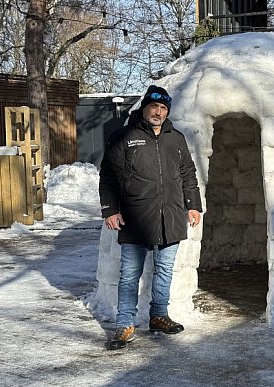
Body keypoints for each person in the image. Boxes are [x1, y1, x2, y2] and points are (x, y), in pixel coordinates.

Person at [99, 85, 203, 350]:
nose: (157, 112)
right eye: (153, 107)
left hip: (170, 215)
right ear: (145, 108)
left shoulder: (176, 138)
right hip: (136, 216)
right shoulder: (124, 136)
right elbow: (108, 176)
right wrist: (110, 210)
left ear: (167, 112)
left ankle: (159, 316)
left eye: (163, 108)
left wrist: (193, 206)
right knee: (129, 274)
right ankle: (124, 324)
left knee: (165, 270)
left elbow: (188, 173)